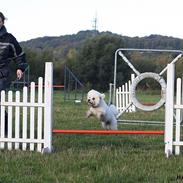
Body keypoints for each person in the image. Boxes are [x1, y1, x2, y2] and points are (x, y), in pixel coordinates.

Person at [0, 12, 27, 135]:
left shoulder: (9, 38)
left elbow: (20, 55)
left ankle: (4, 130)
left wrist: (20, 68)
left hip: (2, 75)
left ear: (2, 22)